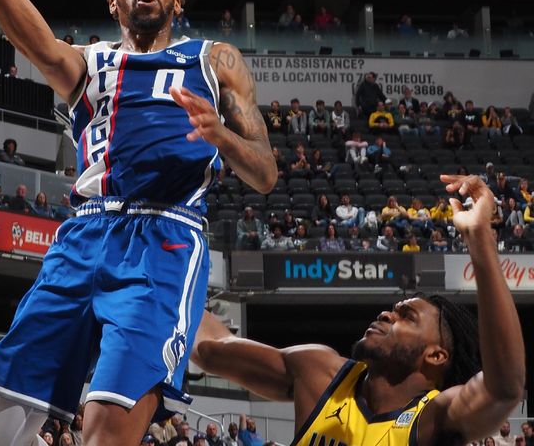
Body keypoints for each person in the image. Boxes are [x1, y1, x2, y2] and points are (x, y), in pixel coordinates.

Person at [0, 0, 276, 446]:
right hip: (83, 235)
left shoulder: (215, 61)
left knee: (106, 430)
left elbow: (265, 174)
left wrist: (222, 135)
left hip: (164, 241)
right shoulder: (89, 64)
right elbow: (33, 41)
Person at [191, 174, 525, 446]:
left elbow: (504, 388)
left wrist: (480, 239)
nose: (386, 315)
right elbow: (211, 349)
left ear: (436, 356)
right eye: (393, 310)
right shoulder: (319, 373)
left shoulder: (432, 419)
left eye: (406, 317)